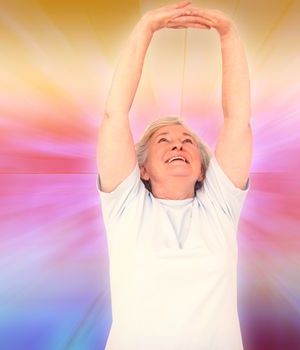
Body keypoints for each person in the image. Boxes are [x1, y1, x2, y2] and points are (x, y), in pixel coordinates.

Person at [96, 1, 252, 349]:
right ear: (143, 170)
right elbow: (114, 116)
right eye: (162, 141)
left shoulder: (219, 208)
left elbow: (237, 119)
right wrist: (146, 27)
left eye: (187, 142)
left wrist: (228, 34)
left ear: (201, 171)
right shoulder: (126, 208)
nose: (177, 146)